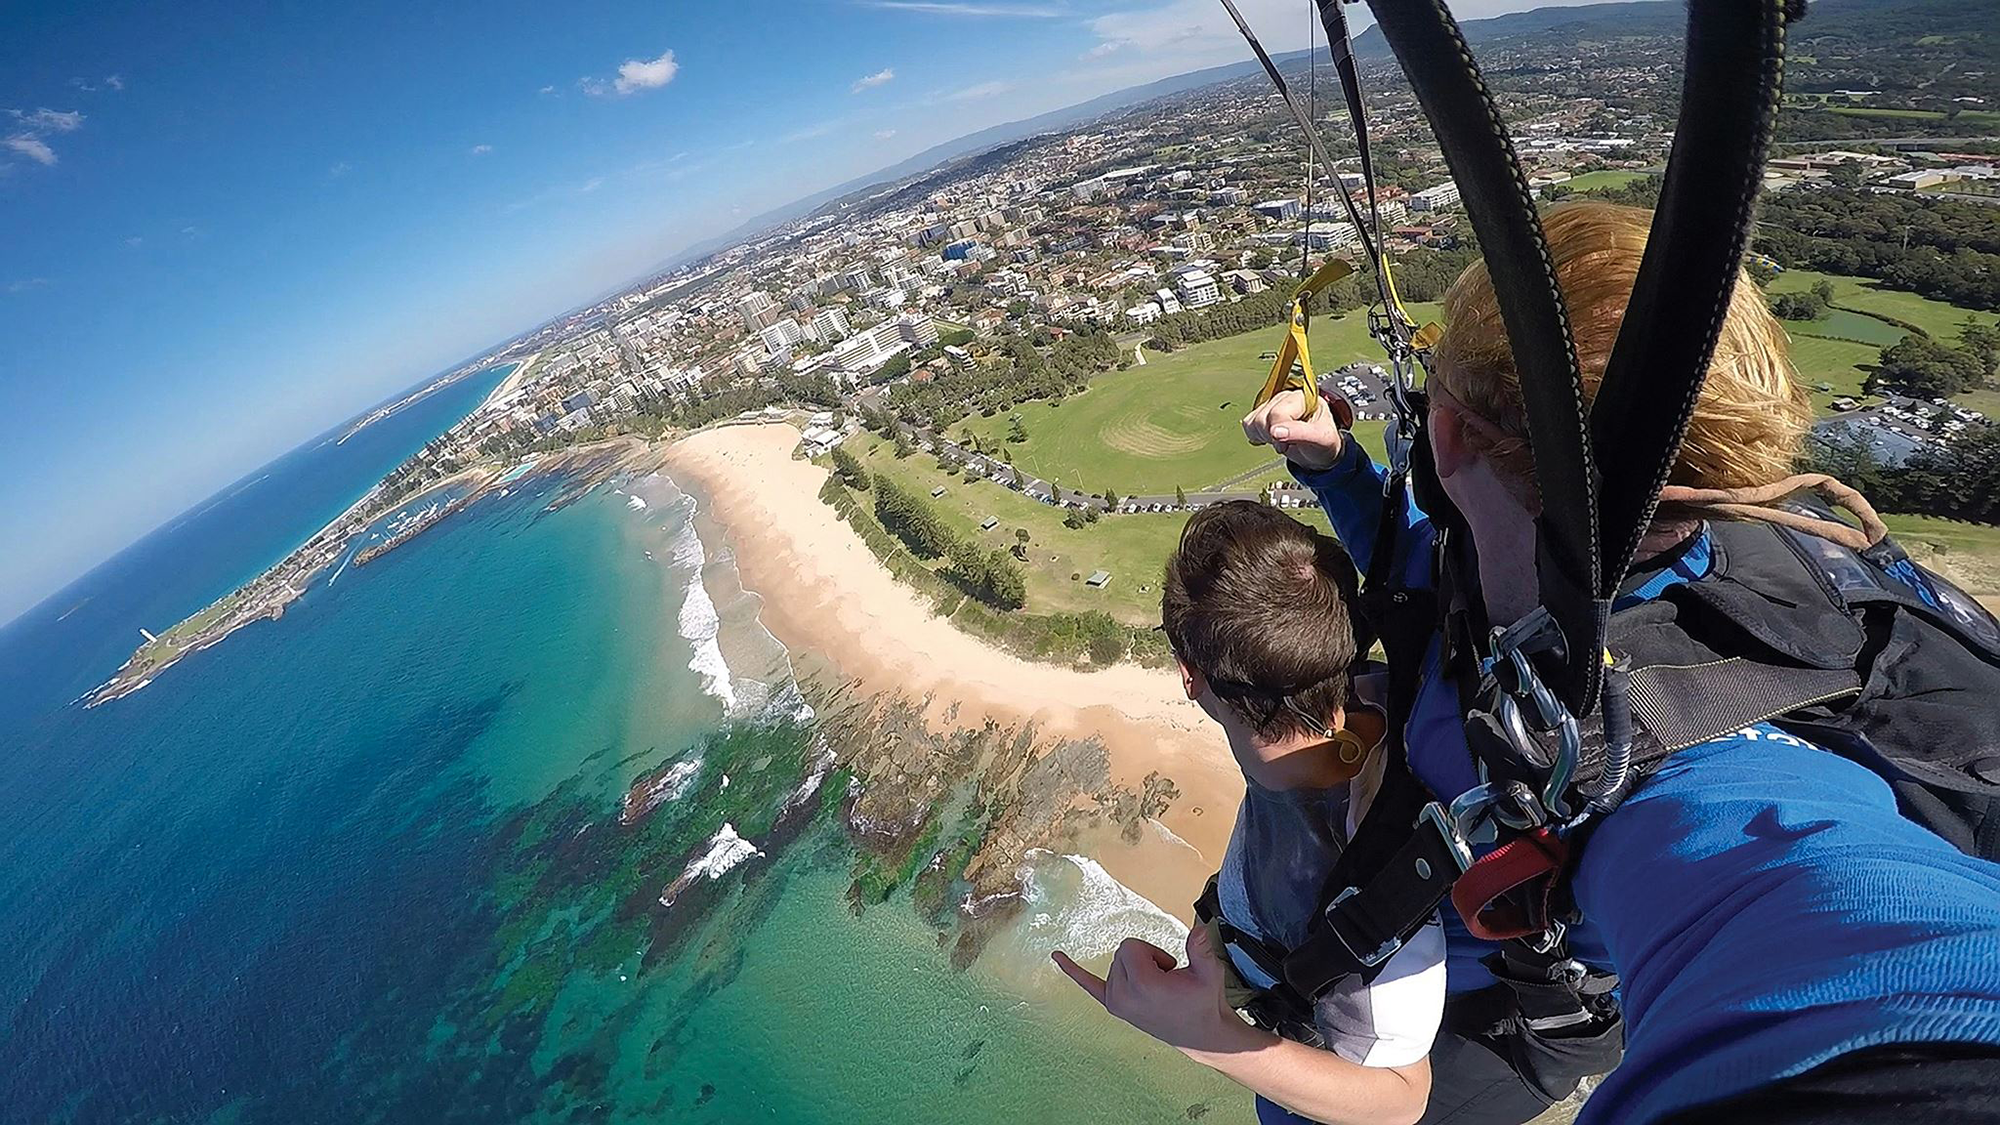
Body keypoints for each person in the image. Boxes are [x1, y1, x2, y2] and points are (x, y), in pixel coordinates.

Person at [1242, 201, 2000, 1124]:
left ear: (1446, 438)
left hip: (1500, 1023)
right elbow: (1424, 580)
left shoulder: (1652, 735)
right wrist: (1335, 468)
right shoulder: (1543, 555)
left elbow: (1802, 897)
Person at [1052, 500, 1445, 1125]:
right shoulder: (1381, 693)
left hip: (1303, 1037)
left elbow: (1401, 1098)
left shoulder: (1361, 881)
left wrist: (1206, 1036)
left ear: (1190, 677)